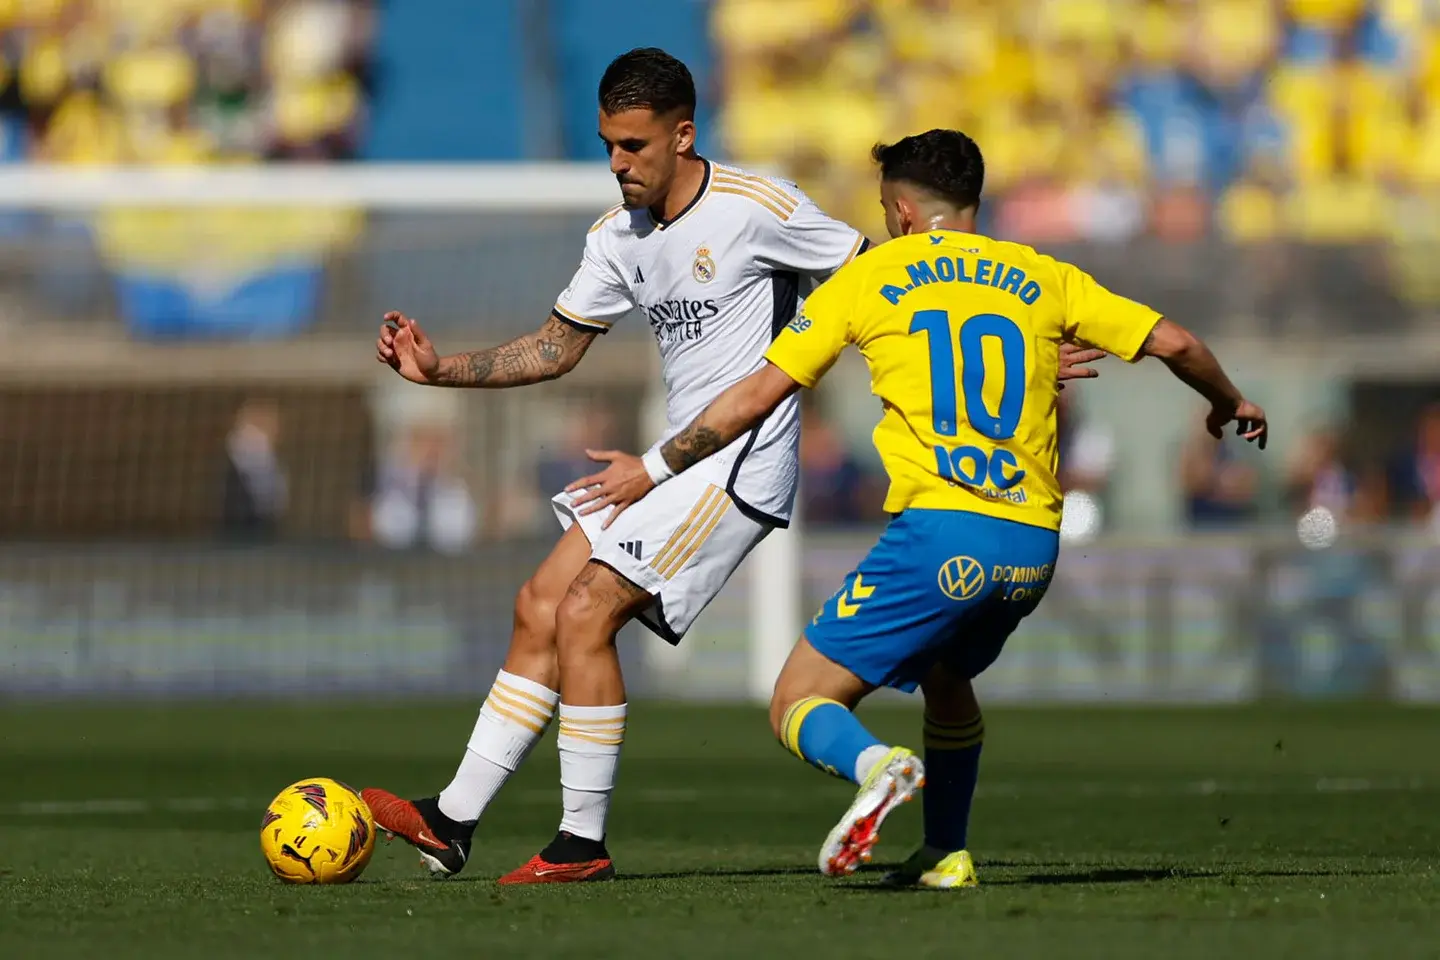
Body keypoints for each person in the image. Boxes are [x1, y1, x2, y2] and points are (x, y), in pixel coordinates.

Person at [362, 50, 1103, 885]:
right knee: (536, 604)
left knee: (584, 611)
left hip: (737, 465)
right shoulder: (615, 236)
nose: (617, 163)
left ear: (683, 135)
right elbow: (556, 346)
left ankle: (580, 842)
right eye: (609, 144)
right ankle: (452, 819)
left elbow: (893, 281)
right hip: (668, 460)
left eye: (634, 146)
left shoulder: (761, 208)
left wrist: (1015, 342)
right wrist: (441, 370)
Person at [567, 129, 1268, 887]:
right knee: (944, 676)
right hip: (1033, 545)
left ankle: (879, 767)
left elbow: (754, 396)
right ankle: (946, 851)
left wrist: (656, 464)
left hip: (942, 535)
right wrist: (1227, 402)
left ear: (900, 211)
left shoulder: (872, 278)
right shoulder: (1042, 275)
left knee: (797, 699)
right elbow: (1176, 341)